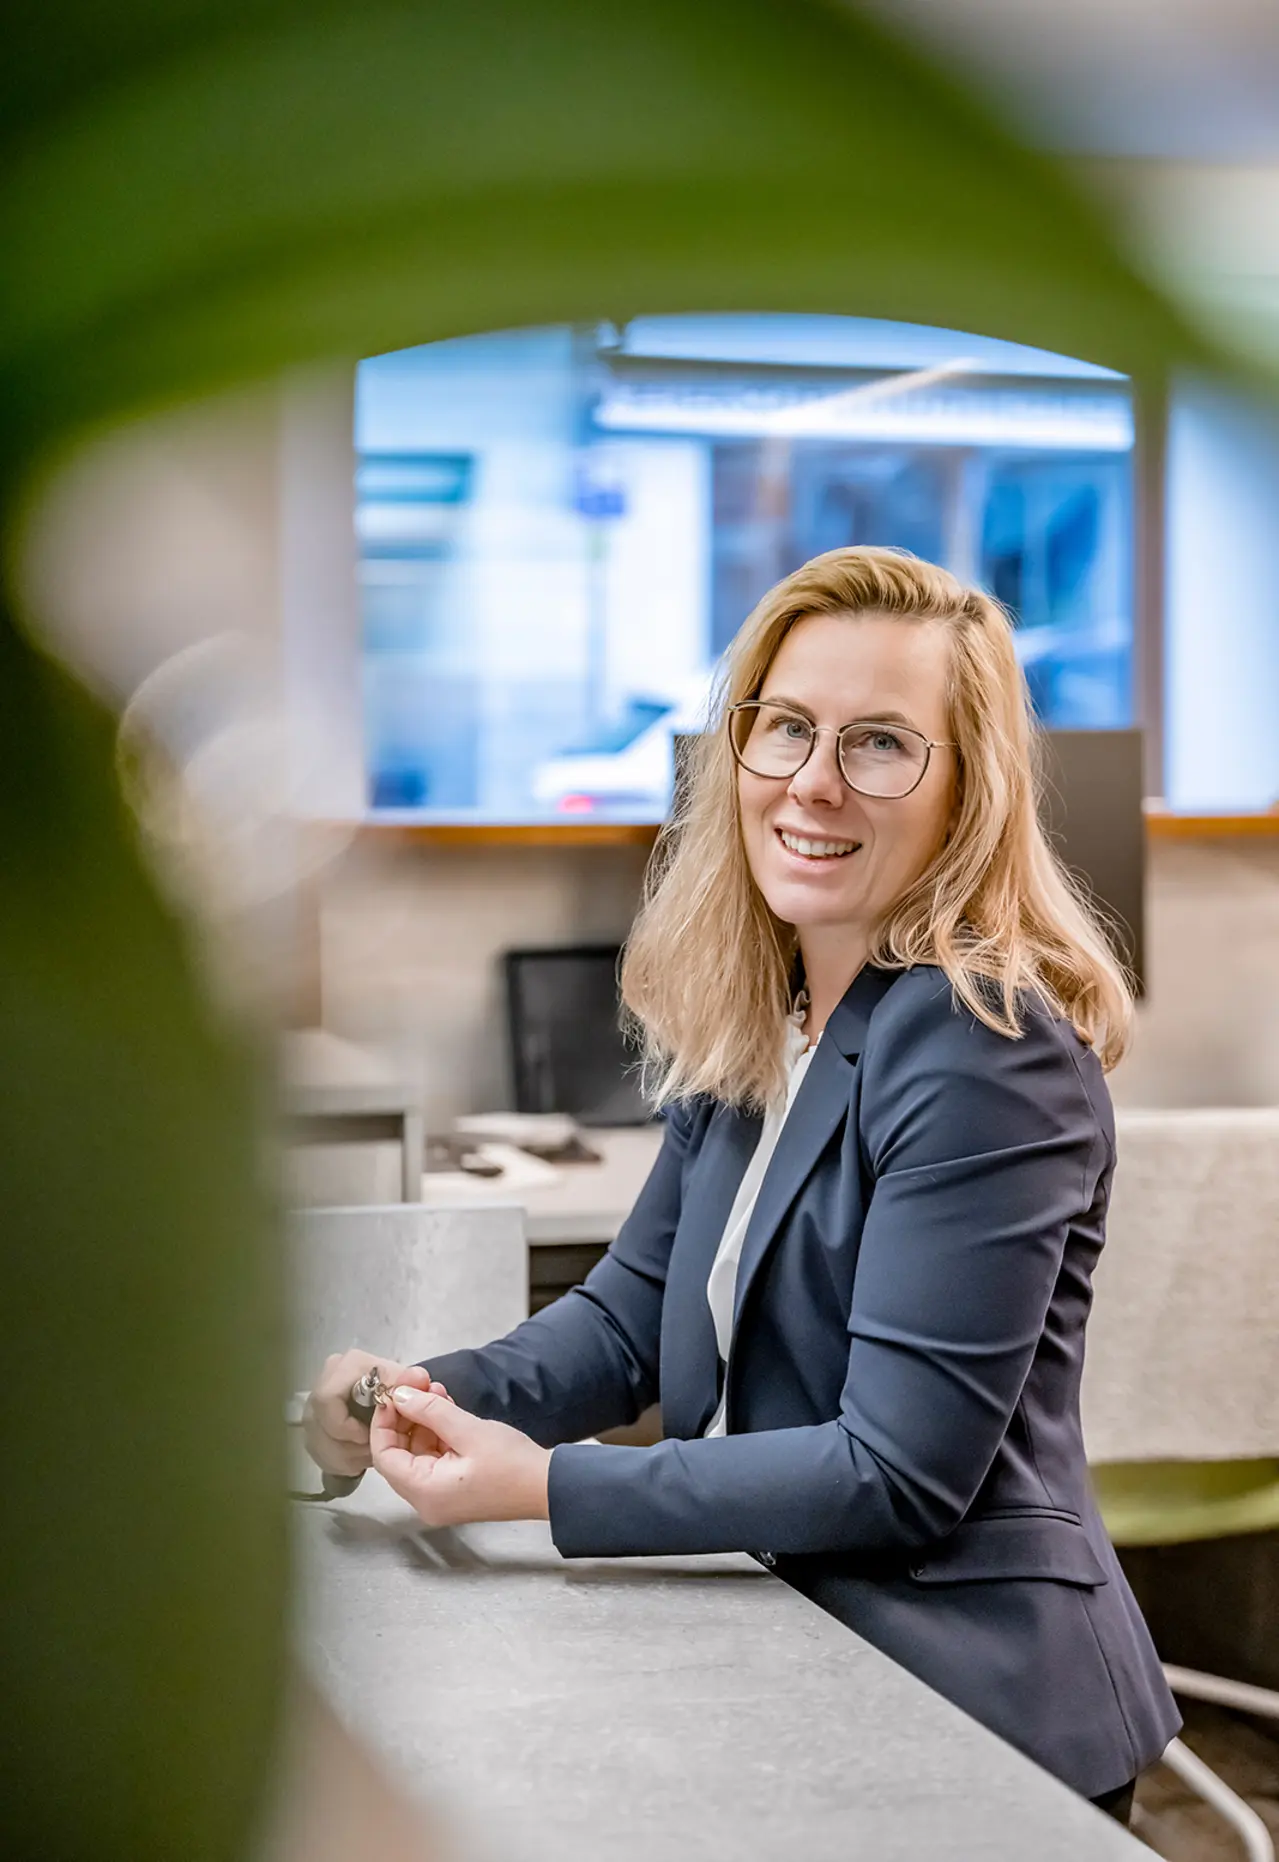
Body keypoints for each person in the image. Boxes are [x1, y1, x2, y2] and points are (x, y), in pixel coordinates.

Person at [304, 546, 1179, 1820]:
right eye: (786, 730)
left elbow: (894, 1469)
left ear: (965, 794)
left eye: (880, 743)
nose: (813, 783)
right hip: (797, 1642)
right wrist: (412, 1394)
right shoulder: (769, 1014)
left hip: (974, 1707)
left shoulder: (983, 1046)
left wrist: (539, 1485)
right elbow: (622, 1322)